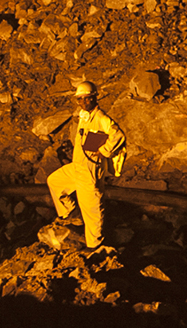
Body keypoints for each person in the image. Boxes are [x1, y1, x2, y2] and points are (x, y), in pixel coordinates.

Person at [43, 79, 125, 252]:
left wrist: (104, 151)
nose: (83, 102)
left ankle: (95, 247)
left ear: (95, 97)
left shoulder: (101, 117)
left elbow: (118, 134)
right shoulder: (84, 116)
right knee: (55, 181)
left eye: (87, 98)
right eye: (80, 99)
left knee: (92, 209)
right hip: (77, 166)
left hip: (90, 170)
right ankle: (72, 214)